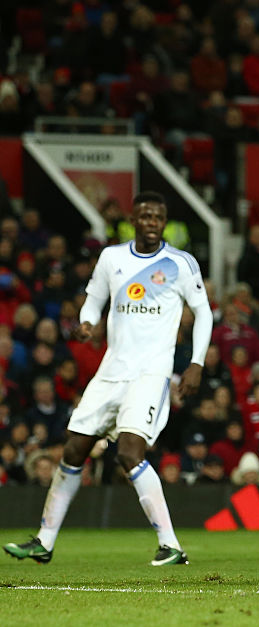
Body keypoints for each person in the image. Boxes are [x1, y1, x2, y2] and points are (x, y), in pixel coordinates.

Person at [4, 191, 212, 566]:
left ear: (164, 223)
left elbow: (204, 313)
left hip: (151, 373)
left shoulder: (180, 263)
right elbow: (93, 299)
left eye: (158, 217)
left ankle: (171, 545)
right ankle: (44, 542)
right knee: (73, 450)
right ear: (133, 220)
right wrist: (87, 322)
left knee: (130, 452)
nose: (151, 222)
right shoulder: (111, 258)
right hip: (111, 371)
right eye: (145, 216)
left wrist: (196, 363)